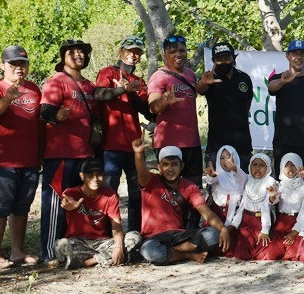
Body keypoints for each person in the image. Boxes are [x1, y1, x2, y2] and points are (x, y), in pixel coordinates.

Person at [40, 39, 128, 264]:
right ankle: (49, 253)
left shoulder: (89, 86)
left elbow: (102, 103)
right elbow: (45, 111)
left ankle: (82, 250)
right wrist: (57, 115)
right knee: (56, 203)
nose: (79, 55)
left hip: (86, 155)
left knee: (82, 204)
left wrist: (122, 88)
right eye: (73, 52)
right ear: (63, 57)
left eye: (82, 52)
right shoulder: (57, 81)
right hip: (60, 154)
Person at [0, 45, 43, 269]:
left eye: (23, 63)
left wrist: (41, 153)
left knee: (22, 207)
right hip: (1, 161)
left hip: (29, 159)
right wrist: (7, 98)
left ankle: (17, 251)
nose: (19, 68)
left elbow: (39, 123)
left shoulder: (34, 89)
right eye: (13, 64)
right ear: (2, 66)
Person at [133, 141, 227, 265]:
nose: (170, 169)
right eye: (165, 165)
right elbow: (142, 173)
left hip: (180, 236)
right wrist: (138, 154)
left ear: (181, 166)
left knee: (214, 234)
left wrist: (222, 228)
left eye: (174, 164)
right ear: (159, 167)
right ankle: (187, 254)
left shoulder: (189, 187)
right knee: (149, 251)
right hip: (154, 238)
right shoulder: (151, 181)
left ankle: (174, 252)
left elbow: (206, 212)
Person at [94, 36, 150, 233]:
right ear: (121, 51)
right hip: (111, 145)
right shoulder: (108, 72)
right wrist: (121, 89)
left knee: (137, 191)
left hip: (134, 145)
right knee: (109, 191)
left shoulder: (139, 80)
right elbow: (99, 94)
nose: (133, 55)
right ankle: (107, 234)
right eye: (130, 51)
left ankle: (136, 233)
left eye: (137, 52)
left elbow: (147, 110)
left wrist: (132, 93)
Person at [55, 159, 139, 268]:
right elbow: (66, 200)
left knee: (135, 237)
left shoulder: (110, 195)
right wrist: (70, 205)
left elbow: (116, 225)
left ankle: (87, 262)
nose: (95, 179)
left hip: (102, 242)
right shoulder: (71, 193)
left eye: (99, 174)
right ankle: (110, 258)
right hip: (78, 242)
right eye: (90, 175)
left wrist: (118, 247)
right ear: (82, 176)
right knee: (61, 245)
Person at [148, 35, 202, 188]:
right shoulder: (159, 76)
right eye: (172, 52)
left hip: (192, 142)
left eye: (182, 51)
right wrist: (165, 101)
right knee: (170, 189)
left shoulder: (191, 75)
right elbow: (153, 107)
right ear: (165, 55)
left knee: (194, 187)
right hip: (168, 143)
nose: (178, 54)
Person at [266, 39, 304, 170]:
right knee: (283, 180)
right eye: (294, 54)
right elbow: (271, 88)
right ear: (287, 56)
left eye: (302, 54)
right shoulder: (279, 78)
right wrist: (283, 81)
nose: (298, 57)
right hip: (283, 143)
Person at [199, 42, 255, 167]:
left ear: (233, 58)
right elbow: (200, 90)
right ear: (214, 61)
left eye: (227, 58)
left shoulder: (244, 78)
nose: (223, 62)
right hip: (216, 145)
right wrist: (204, 83)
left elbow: (248, 103)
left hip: (242, 144)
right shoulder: (210, 79)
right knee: (215, 179)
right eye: (219, 59)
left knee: (243, 178)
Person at [231, 154, 278, 261]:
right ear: (250, 166)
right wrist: (233, 167)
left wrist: (265, 230)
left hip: (261, 222)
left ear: (267, 167)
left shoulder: (270, 182)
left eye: (261, 165)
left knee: (266, 254)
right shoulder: (247, 179)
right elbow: (239, 174)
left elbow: (269, 205)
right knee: (241, 254)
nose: (257, 168)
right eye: (254, 165)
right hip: (247, 222)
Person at [265, 154, 304, 261]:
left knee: (292, 255)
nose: (290, 168)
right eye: (286, 165)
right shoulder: (280, 185)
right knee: (271, 254)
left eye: (293, 165)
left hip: (299, 222)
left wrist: (295, 231)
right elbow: (274, 201)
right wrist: (272, 196)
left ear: (299, 167)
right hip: (283, 223)